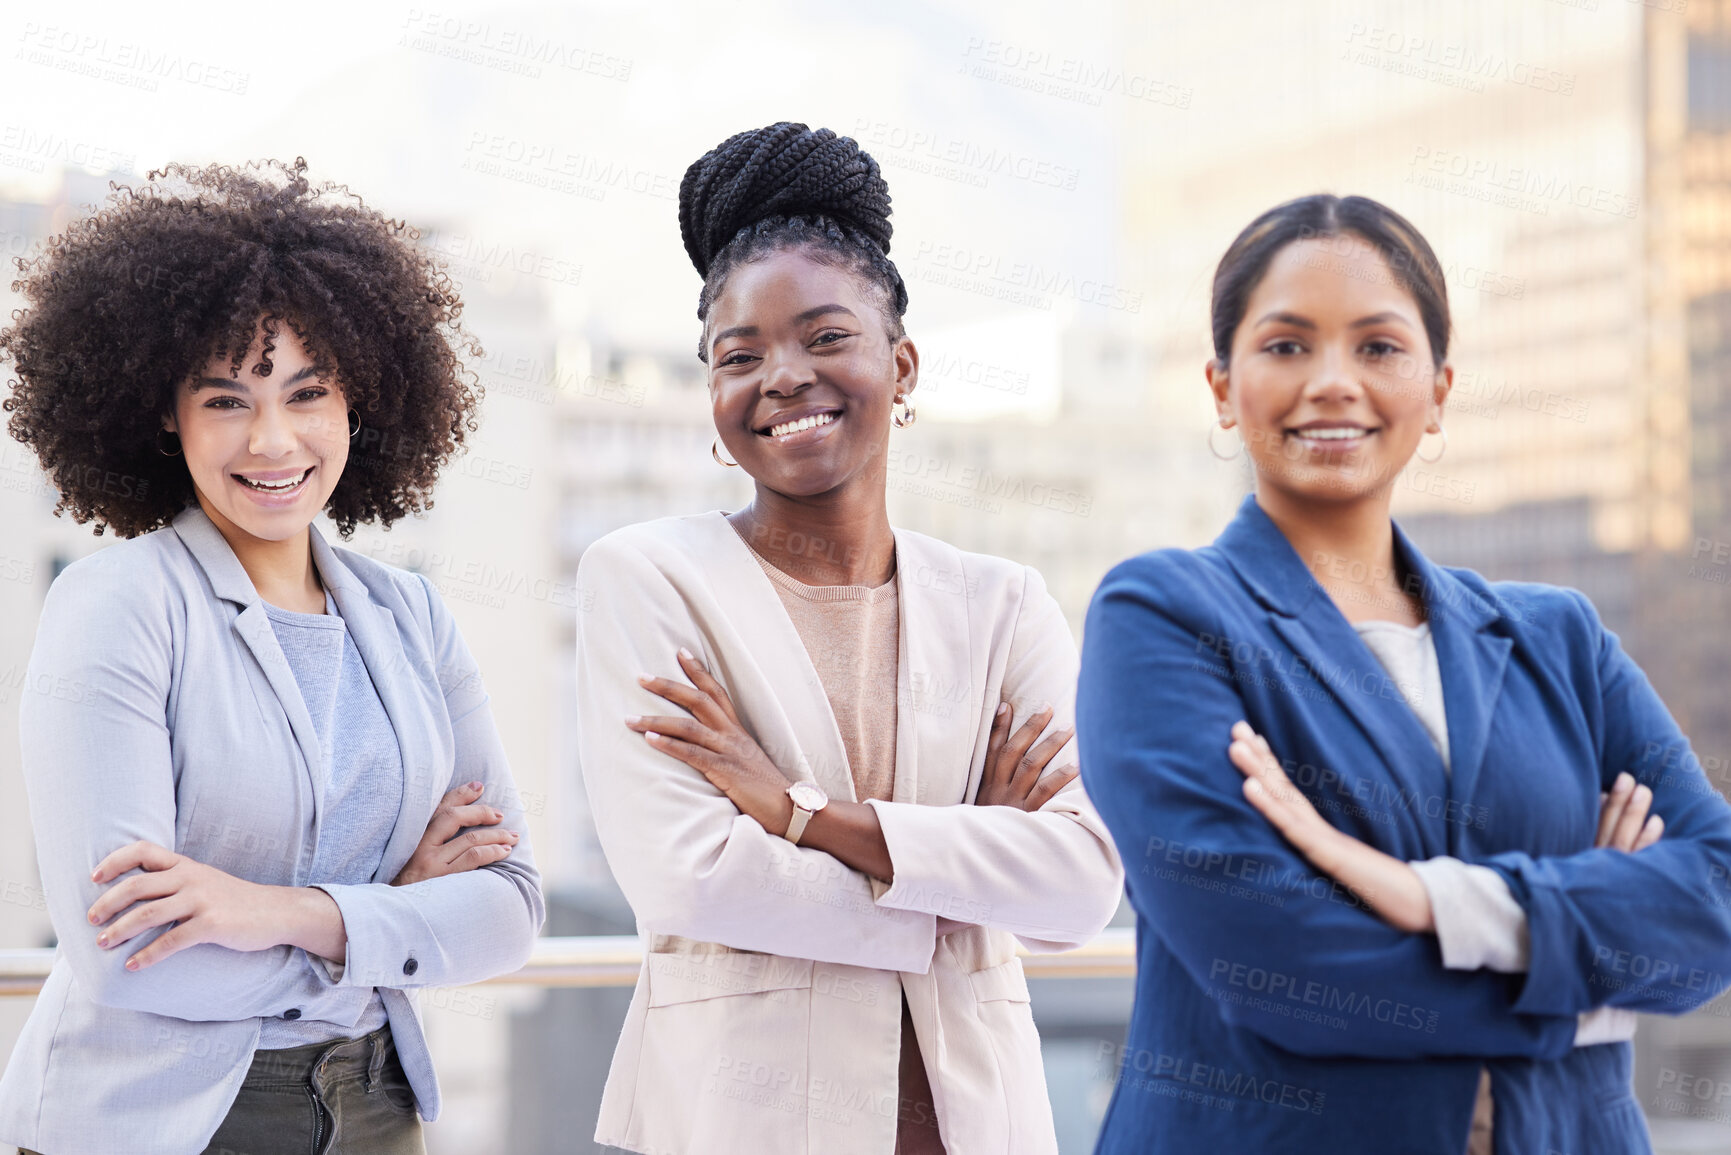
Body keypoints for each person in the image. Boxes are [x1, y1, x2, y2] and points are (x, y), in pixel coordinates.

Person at [1076, 193, 1731, 1154]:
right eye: (1287, 345)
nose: (1333, 381)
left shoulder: (1560, 639)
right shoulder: (1164, 616)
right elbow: (1277, 963)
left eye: (1378, 347)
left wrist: (1426, 899)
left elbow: (1712, 903)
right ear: (1221, 386)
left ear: (1438, 391)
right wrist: (1584, 980)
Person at [574, 123, 1124, 1155]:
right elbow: (695, 876)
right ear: (713, 396)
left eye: (826, 338)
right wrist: (961, 885)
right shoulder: (649, 578)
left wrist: (796, 812)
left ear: (902, 364)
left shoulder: (1002, 603)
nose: (784, 376)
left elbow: (1080, 886)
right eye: (742, 356)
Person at [0, 159, 545, 1155]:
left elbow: (510, 908)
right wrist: (391, 921)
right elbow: (127, 957)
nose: (272, 439)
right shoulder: (116, 607)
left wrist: (269, 912)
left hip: (378, 1112)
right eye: (224, 400)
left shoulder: (411, 616)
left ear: (358, 404)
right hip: (162, 1122)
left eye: (308, 393)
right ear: (165, 411)